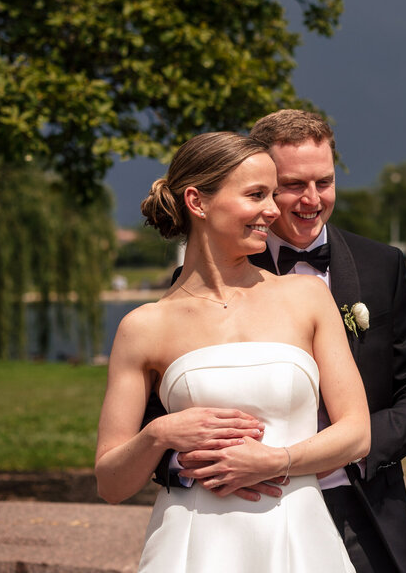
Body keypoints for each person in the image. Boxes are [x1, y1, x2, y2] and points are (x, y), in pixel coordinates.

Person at [152, 110, 406, 573]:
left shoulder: (381, 267)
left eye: (324, 182)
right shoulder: (197, 283)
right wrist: (192, 467)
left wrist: (347, 450)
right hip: (243, 511)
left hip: (362, 506)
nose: (312, 200)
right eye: (292, 185)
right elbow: (162, 411)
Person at [96, 132, 369, 573]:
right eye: (257, 194)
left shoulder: (306, 297)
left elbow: (357, 433)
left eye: (272, 194)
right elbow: (110, 483)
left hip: (297, 534)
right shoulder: (143, 327)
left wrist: (277, 461)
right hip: (190, 544)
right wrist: (160, 434)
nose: (273, 209)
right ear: (197, 202)